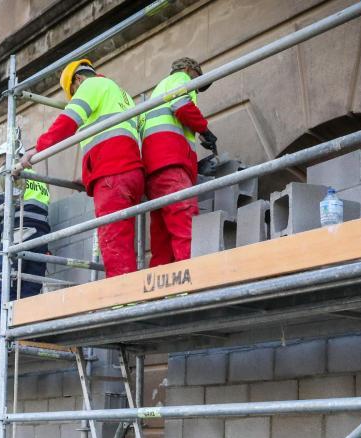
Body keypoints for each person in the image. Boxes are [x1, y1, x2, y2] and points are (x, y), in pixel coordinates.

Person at [21, 59, 144, 278]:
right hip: (131, 173)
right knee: (124, 238)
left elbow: (68, 121)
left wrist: (37, 150)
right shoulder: (121, 95)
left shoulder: (90, 86)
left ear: (77, 79)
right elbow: (116, 138)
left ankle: (121, 301)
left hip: (111, 174)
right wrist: (89, 177)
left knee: (113, 239)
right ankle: (129, 294)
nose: (75, 97)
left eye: (73, 93)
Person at [140, 57, 217, 267]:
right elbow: (181, 106)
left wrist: (198, 132)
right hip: (171, 163)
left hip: (154, 169)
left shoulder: (157, 92)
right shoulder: (179, 79)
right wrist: (204, 129)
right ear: (187, 69)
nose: (196, 87)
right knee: (185, 223)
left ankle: (162, 294)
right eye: (196, 78)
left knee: (162, 236)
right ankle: (190, 287)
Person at [0, 141, 52, 311]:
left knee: (3, 281)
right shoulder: (39, 179)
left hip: (18, 234)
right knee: (30, 286)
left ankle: (6, 327)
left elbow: (1, 204)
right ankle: (24, 324)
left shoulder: (7, 173)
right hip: (40, 237)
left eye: (1, 159)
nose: (0, 164)